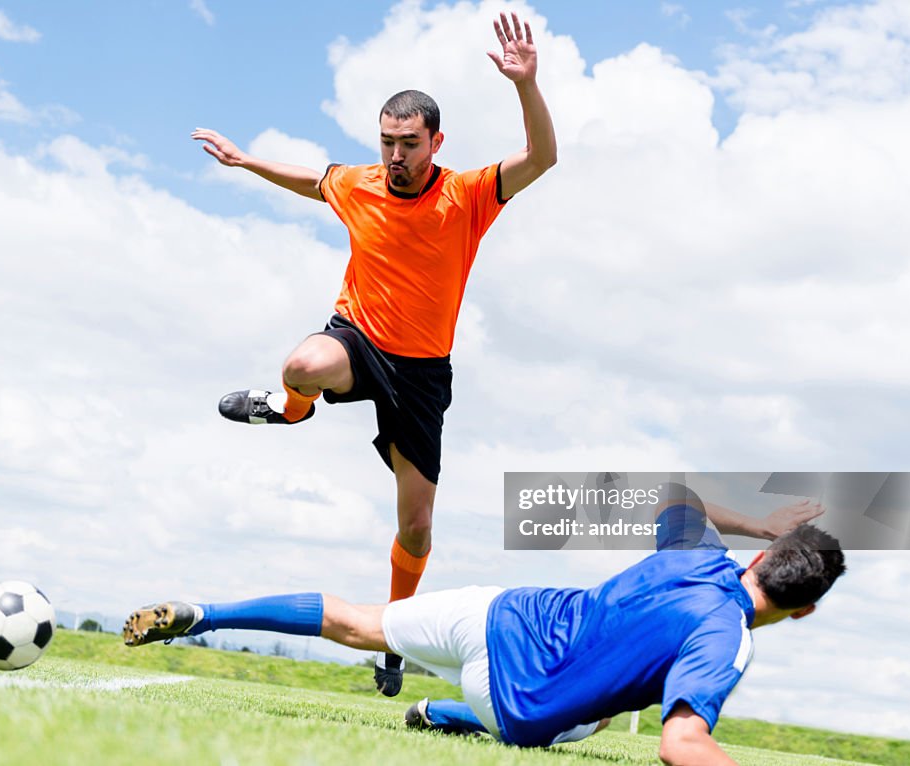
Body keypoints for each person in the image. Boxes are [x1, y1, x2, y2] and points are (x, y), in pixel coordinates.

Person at [191, 12, 556, 695]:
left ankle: (393, 633)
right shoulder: (359, 185)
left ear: (436, 141)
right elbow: (313, 179)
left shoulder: (468, 195)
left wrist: (525, 87)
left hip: (421, 374)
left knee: (415, 528)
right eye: (386, 142)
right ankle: (293, 410)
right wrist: (246, 161)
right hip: (357, 340)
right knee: (301, 365)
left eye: (408, 144)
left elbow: (541, 159)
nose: (395, 156)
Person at [123, 488, 844, 766]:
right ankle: (440, 714)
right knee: (588, 721)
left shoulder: (699, 553)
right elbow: (680, 743)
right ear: (803, 608)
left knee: (357, 621)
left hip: (497, 617)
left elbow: (673, 496)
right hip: (517, 715)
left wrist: (758, 520)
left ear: (761, 555)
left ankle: (206, 615)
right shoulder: (728, 641)